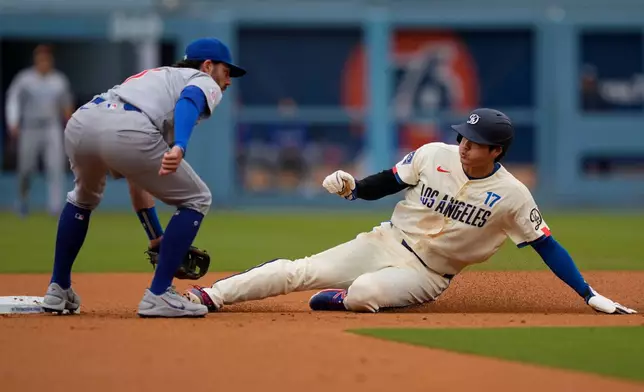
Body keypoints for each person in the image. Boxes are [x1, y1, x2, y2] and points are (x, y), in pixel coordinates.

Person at [184, 108, 637, 315]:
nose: (463, 145)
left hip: (428, 274)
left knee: (362, 293)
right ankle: (211, 297)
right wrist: (352, 189)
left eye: (474, 143)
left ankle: (343, 301)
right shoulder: (433, 154)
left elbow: (547, 246)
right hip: (384, 240)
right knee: (299, 271)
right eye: (462, 136)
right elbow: (389, 181)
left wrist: (587, 293)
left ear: (496, 150)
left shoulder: (514, 195)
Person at [39, 37, 246, 318]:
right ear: (208, 65)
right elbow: (191, 100)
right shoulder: (201, 78)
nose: (228, 80)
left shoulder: (157, 78)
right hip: (127, 126)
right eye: (226, 71)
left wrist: (155, 237)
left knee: (82, 199)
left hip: (83, 122)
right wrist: (180, 145)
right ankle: (159, 294)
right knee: (197, 198)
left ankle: (58, 288)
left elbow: (137, 179)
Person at [4, 44, 74, 217]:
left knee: (55, 167)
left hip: (51, 126)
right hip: (30, 127)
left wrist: (70, 124)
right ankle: (22, 201)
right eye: (40, 58)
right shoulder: (24, 79)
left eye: (47, 59)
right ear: (35, 60)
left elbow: (66, 105)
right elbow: (12, 100)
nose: (44, 62)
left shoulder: (59, 80)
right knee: (26, 168)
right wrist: (13, 122)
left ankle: (55, 207)